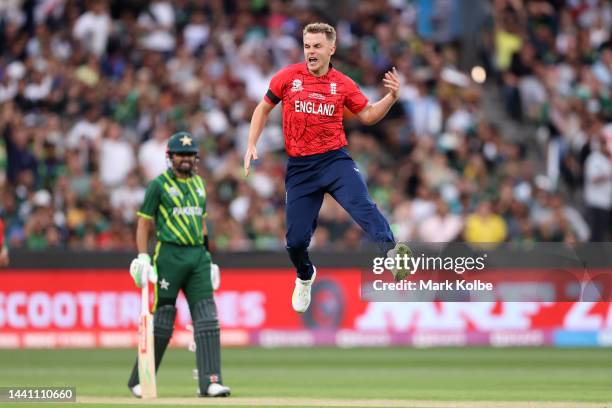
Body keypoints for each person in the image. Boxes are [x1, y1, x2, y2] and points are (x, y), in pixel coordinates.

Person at [243, 22, 409, 314]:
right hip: (300, 168)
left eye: (317, 46)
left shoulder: (343, 83)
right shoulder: (287, 77)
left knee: (363, 206)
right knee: (294, 242)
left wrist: (391, 97)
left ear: (331, 49)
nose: (311, 52)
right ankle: (305, 275)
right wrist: (251, 143)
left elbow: (368, 115)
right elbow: (263, 108)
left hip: (334, 161)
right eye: (307, 46)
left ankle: (393, 253)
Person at [127, 131, 230, 398]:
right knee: (162, 319)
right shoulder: (158, 185)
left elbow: (202, 223)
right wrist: (142, 256)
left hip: (197, 258)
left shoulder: (199, 185)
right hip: (169, 256)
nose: (185, 159)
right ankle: (140, 380)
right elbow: (143, 222)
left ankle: (210, 382)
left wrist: (209, 259)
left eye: (190, 154)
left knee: (207, 319)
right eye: (180, 154)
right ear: (170, 157)